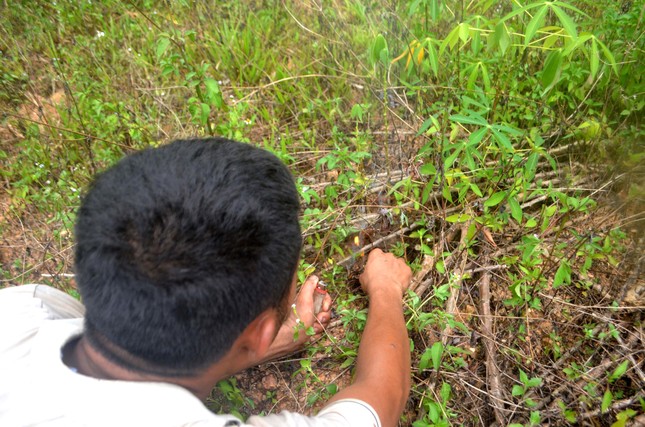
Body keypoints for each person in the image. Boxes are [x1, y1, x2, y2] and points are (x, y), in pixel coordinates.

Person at [0, 138, 412, 427]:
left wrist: (261, 343)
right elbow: (380, 400)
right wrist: (386, 289)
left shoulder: (22, 307)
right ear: (259, 331)